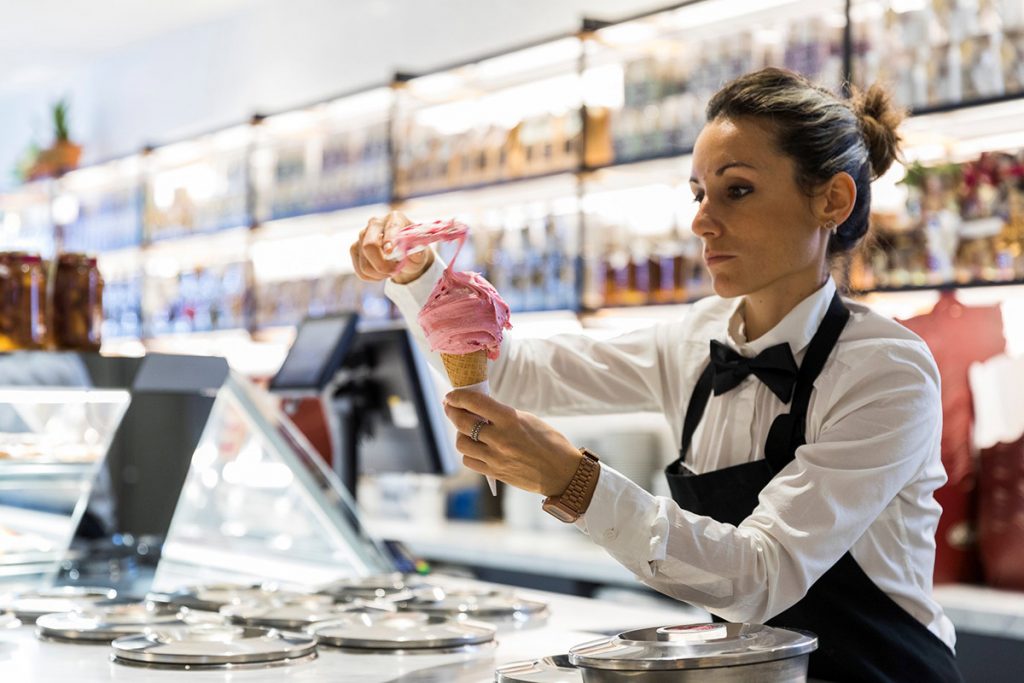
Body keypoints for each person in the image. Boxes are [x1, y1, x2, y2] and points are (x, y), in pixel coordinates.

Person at [350, 67, 962, 682]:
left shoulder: (887, 369)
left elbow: (762, 575)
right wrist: (418, 276)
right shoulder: (695, 337)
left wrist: (574, 482)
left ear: (831, 200)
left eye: (737, 191)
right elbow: (515, 374)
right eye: (699, 194)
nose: (702, 221)